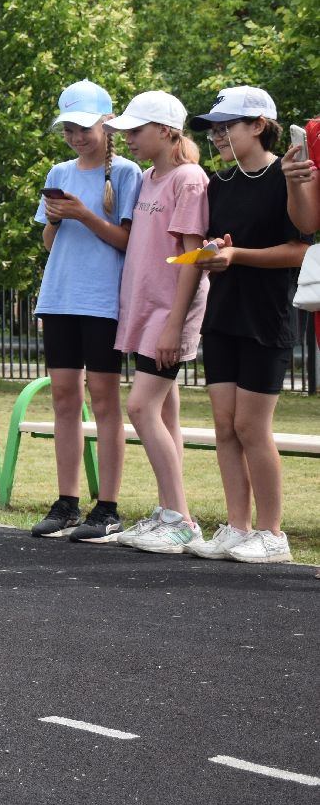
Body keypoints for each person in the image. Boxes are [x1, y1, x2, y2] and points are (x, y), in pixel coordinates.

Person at [185, 86, 310, 564]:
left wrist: (238, 255)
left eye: (225, 126)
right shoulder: (221, 183)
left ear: (258, 124)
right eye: (213, 128)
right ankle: (237, 528)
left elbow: (299, 250)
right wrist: (219, 250)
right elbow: (226, 246)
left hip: (267, 317)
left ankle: (272, 533)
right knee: (224, 426)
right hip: (223, 314)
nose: (217, 136)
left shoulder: (290, 175)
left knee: (251, 427)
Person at [26, 81, 142, 542]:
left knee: (104, 401)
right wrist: (56, 218)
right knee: (64, 400)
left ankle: (108, 507)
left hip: (102, 301)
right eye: (68, 128)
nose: (76, 136)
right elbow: (49, 243)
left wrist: (82, 214)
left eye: (84, 127)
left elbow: (128, 243)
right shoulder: (60, 171)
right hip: (60, 297)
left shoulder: (129, 173)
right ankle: (67, 502)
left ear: (107, 123)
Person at [101, 95, 210, 554]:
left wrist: (172, 326)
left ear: (166, 131)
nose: (128, 138)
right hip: (146, 312)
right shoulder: (147, 178)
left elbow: (193, 259)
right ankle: (171, 512)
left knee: (141, 408)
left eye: (136, 130)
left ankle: (180, 519)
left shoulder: (188, 180)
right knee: (165, 413)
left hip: (169, 314)